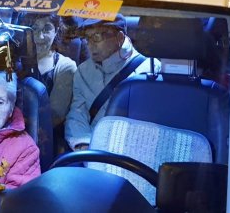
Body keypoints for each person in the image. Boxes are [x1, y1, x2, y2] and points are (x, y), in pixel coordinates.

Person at [64, 14, 161, 151]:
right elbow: (78, 113)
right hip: (90, 149)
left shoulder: (149, 69)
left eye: (96, 37)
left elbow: (147, 124)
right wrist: (83, 145)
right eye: (87, 38)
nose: (90, 45)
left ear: (120, 38)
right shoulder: (83, 70)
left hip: (129, 152)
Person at [25, 15, 77, 153]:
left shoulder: (65, 67)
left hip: (47, 142)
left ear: (56, 31)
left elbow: (55, 115)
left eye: (47, 29)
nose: (40, 36)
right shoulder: (14, 61)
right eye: (34, 29)